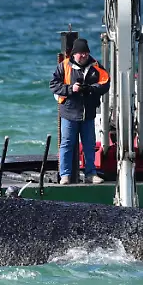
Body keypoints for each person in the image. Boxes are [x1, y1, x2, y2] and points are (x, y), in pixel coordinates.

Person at [49, 38, 110, 185]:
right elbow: (54, 85)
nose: (83, 56)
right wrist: (71, 89)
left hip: (88, 114)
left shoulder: (96, 66)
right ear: (74, 54)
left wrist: (91, 89)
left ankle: (91, 174)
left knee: (89, 145)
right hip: (69, 113)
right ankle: (65, 175)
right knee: (67, 144)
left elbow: (105, 83)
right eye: (80, 53)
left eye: (85, 53)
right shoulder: (64, 66)